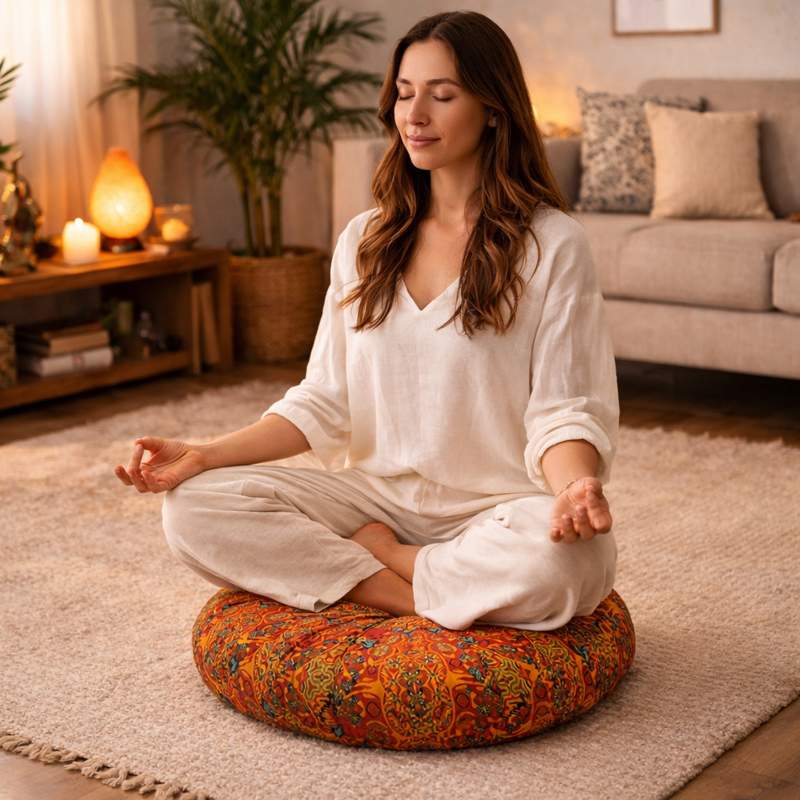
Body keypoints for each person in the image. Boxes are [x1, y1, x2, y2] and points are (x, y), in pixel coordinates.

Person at [114, 11, 619, 632]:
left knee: (570, 562)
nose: (415, 115)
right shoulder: (365, 240)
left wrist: (574, 489)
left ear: (493, 108)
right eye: (405, 94)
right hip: (374, 498)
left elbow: (564, 408)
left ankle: (394, 562)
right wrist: (203, 454)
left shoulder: (553, 244)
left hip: (497, 507)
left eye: (442, 95)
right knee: (193, 507)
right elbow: (325, 401)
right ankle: (406, 594)